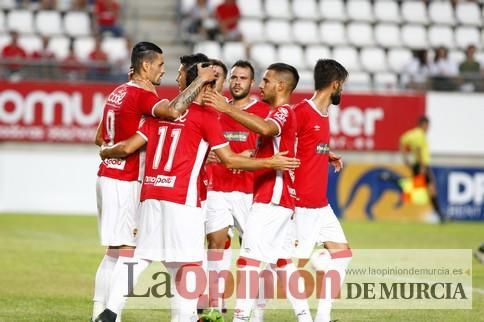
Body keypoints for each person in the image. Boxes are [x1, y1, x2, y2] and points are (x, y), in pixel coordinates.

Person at [93, 62, 300, 322]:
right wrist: (269, 162)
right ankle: (186, 317)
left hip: (151, 194)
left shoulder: (163, 112)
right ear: (204, 87)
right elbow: (230, 161)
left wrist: (107, 151)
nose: (217, 92)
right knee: (192, 264)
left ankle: (110, 311)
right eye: (214, 86)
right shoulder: (206, 118)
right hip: (183, 199)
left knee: (140, 255)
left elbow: (130, 146)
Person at [91, 41, 217, 321]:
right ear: (146, 66)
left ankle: (103, 311)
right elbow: (174, 112)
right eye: (161, 65)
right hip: (131, 180)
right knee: (129, 252)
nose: (166, 72)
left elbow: (101, 137)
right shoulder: (145, 97)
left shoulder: (118, 92)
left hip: (116, 177)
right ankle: (106, 313)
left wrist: (107, 152)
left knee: (122, 251)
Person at [204, 63, 313, 322]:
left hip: (271, 197)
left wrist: (226, 107)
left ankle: (241, 318)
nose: (260, 86)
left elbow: (266, 130)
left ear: (281, 86)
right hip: (277, 198)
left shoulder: (283, 112)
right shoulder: (279, 112)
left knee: (249, 260)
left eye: (265, 81)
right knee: (282, 262)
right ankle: (305, 317)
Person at [202, 60, 270, 317]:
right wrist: (207, 154)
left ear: (252, 84)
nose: (237, 82)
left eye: (243, 78)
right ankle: (215, 303)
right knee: (215, 243)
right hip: (218, 187)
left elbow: (270, 143)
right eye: (234, 77)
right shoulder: (217, 109)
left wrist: (250, 155)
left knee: (254, 250)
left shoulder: (264, 110)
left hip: (250, 191)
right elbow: (206, 141)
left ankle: (256, 309)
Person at [291, 59, 352, 322]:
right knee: (291, 267)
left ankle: (323, 318)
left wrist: (326, 154)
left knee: (343, 255)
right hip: (302, 205)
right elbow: (283, 147)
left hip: (320, 204)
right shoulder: (300, 112)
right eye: (343, 86)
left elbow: (310, 147)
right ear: (335, 84)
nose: (343, 91)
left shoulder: (324, 115)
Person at [400, 116, 446, 223]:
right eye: (428, 126)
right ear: (423, 124)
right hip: (422, 165)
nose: (428, 128)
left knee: (419, 190)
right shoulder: (420, 136)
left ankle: (439, 215)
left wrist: (405, 159)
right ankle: (439, 215)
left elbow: (402, 141)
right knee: (430, 189)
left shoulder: (412, 134)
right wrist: (422, 167)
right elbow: (419, 149)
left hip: (417, 164)